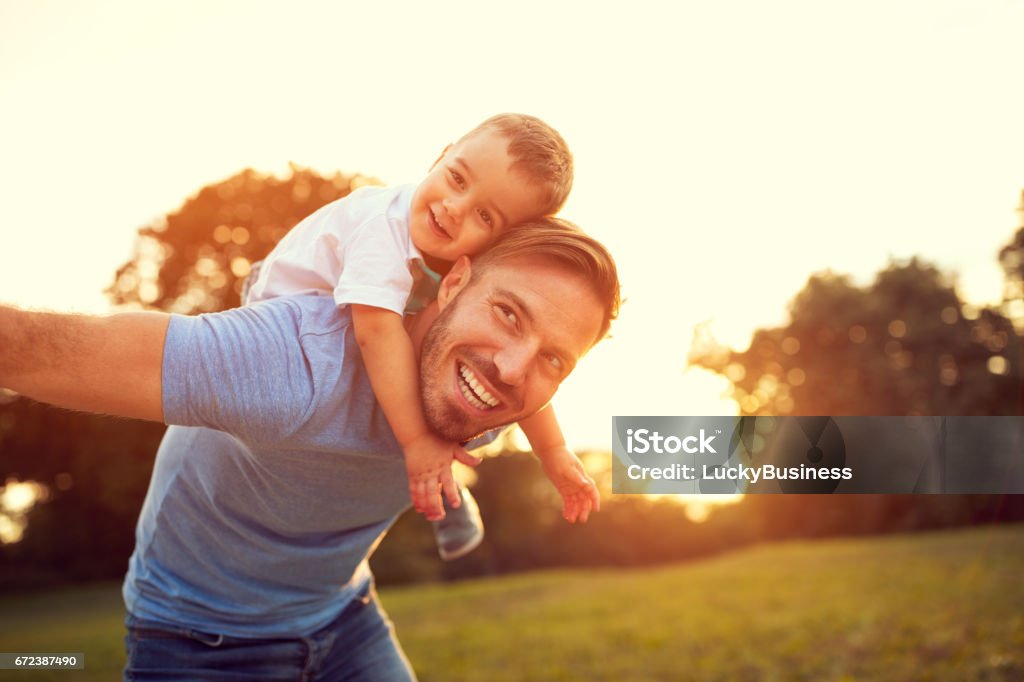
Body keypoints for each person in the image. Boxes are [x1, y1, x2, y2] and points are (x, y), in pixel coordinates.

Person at [0, 219, 621, 680]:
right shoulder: (291, 362)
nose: (514, 370)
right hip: (197, 641)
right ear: (452, 281)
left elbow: (525, 383)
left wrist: (556, 455)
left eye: (554, 359)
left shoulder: (487, 390)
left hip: (343, 616)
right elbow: (27, 347)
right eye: (509, 314)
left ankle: (451, 505)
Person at [243, 113, 597, 561]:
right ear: (441, 155)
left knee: (467, 380)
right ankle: (436, 487)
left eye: (485, 215)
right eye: (457, 178)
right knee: (409, 403)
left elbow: (522, 360)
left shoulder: (458, 258)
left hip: (357, 324)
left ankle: (443, 494)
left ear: (499, 245)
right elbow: (375, 332)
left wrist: (554, 451)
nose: (455, 207)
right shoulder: (381, 227)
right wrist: (417, 442)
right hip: (284, 322)